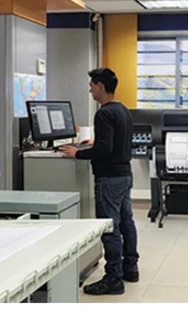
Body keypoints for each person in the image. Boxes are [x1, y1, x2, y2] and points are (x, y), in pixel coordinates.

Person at [59, 67, 139, 295]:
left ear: (100, 86)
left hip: (109, 178)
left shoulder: (103, 113)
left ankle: (113, 278)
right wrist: (97, 142)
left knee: (109, 227)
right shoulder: (122, 110)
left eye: (92, 85)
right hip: (124, 175)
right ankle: (130, 268)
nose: (90, 90)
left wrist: (78, 153)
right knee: (126, 222)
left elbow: (105, 148)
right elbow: (116, 140)